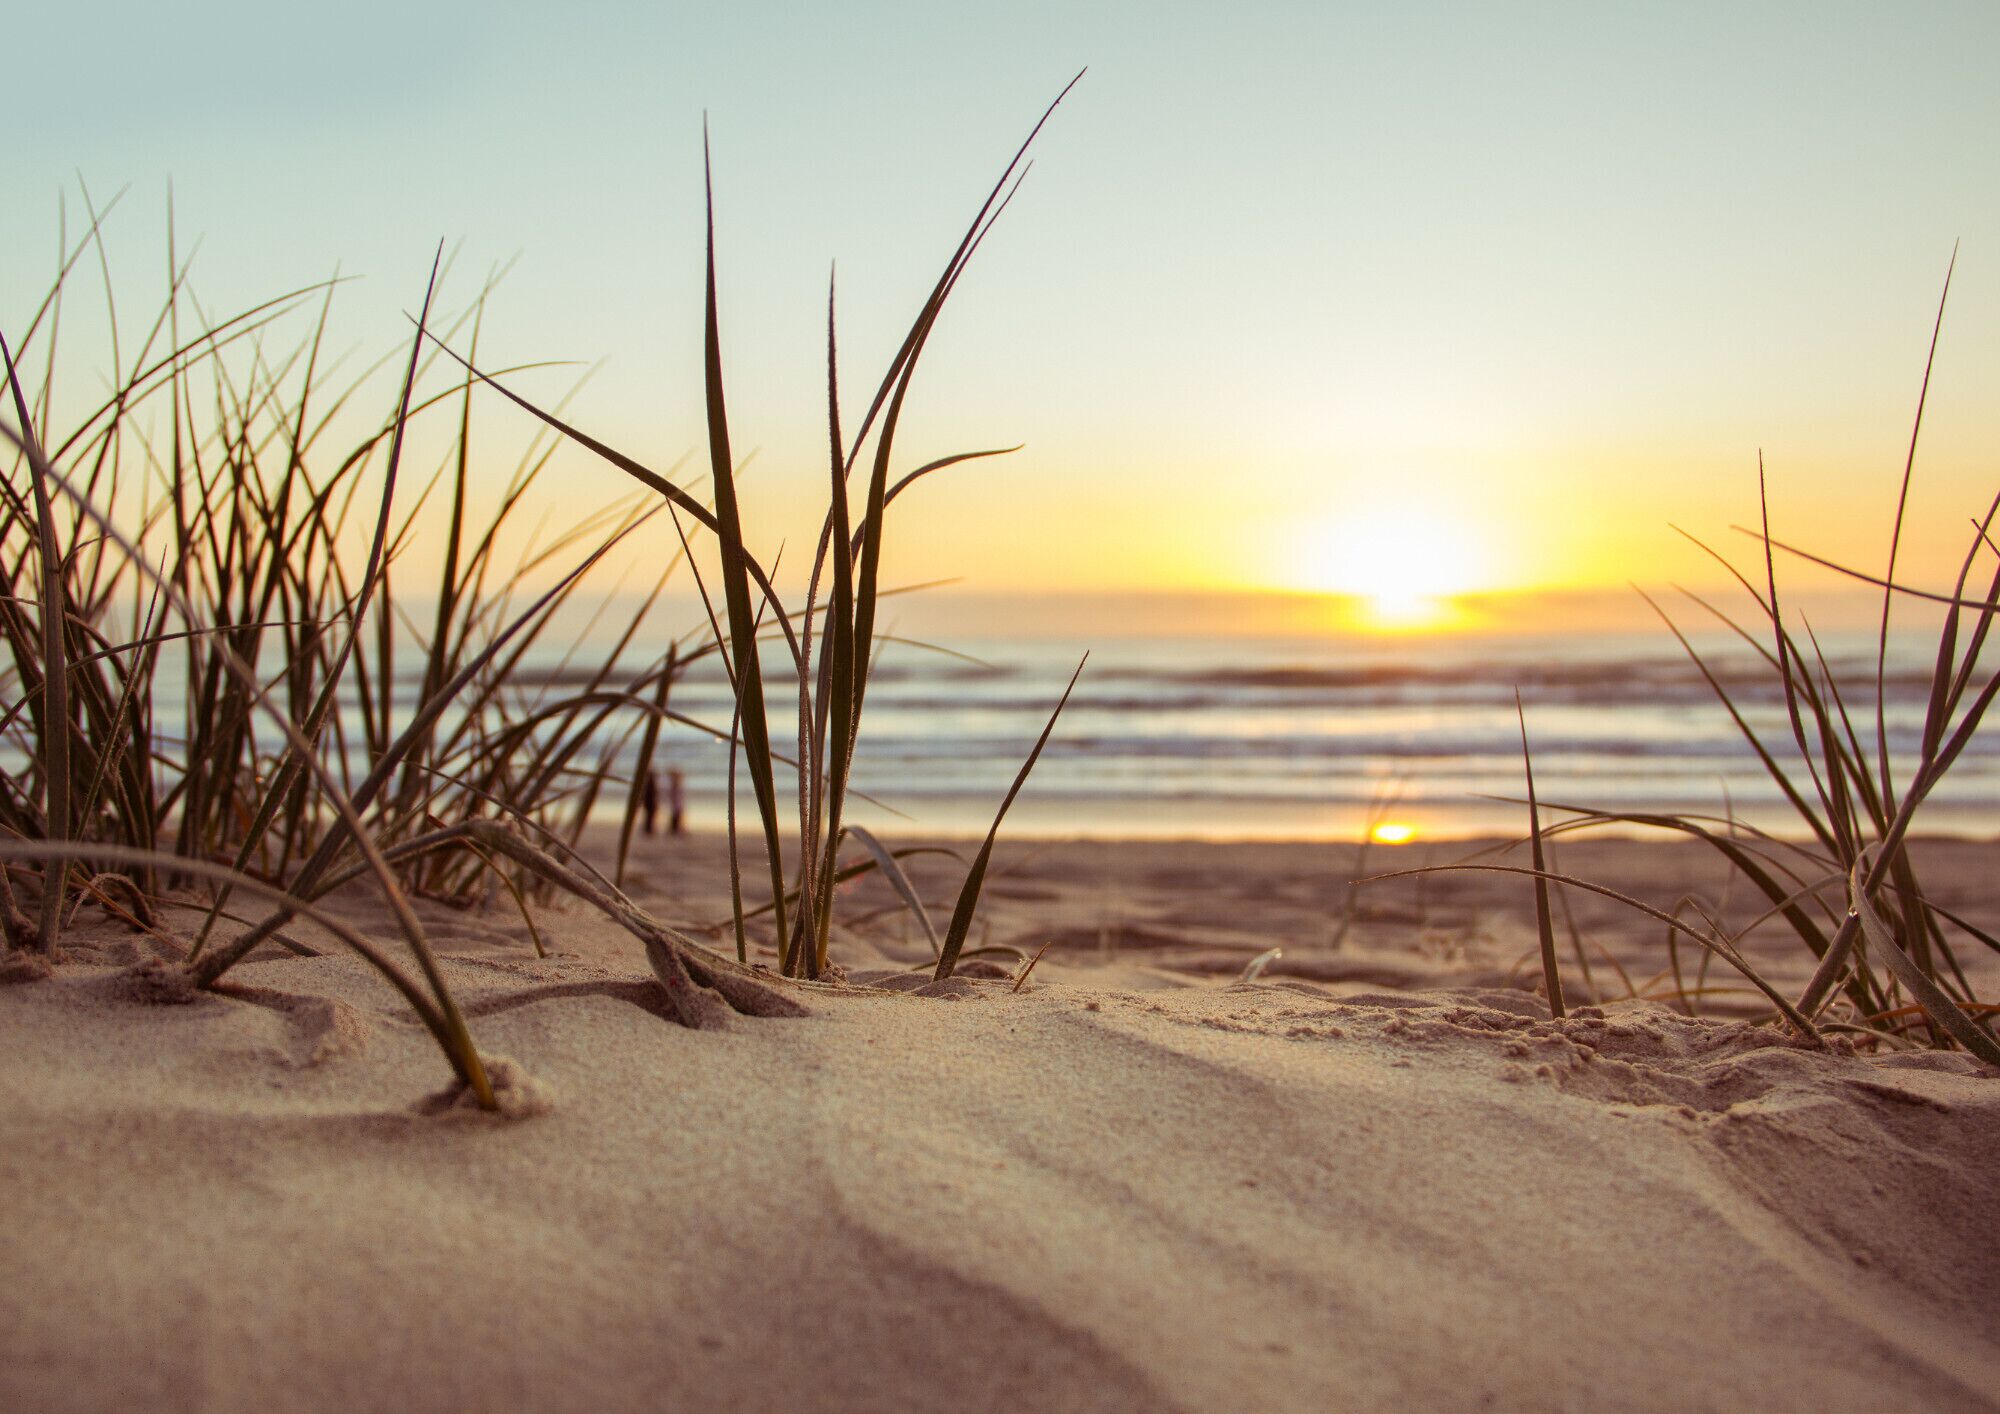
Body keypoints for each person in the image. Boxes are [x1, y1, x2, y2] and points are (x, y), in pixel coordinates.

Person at [640, 769, 660, 836]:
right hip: (650, 803)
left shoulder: (648, 784)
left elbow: (644, 795)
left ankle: (648, 829)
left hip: (649, 803)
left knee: (649, 817)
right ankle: (648, 829)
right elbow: (654, 794)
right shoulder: (651, 784)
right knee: (650, 817)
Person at [668, 767, 686, 836]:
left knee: (677, 817)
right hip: (677, 804)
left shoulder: (676, 785)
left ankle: (676, 830)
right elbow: (675, 796)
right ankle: (675, 830)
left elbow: (677, 796)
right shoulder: (675, 785)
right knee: (676, 817)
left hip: (677, 803)